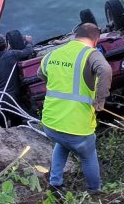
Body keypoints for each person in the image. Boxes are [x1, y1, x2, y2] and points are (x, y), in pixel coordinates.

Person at [39, 23, 112, 193]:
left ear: (74, 35)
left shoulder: (53, 54)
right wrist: (100, 101)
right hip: (77, 127)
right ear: (96, 40)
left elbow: (40, 73)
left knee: (62, 142)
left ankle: (55, 183)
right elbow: (106, 70)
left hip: (50, 123)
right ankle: (95, 191)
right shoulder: (90, 54)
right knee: (88, 156)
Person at [0, 32, 35, 127]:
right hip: (13, 99)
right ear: (6, 45)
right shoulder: (12, 54)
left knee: (2, 124)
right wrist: (29, 42)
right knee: (18, 123)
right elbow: (28, 51)